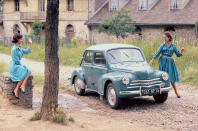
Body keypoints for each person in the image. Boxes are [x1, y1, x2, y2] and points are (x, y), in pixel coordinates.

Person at [149, 32, 184, 98]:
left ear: (169, 37)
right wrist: (152, 61)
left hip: (170, 63)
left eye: (165, 37)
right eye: (163, 37)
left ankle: (176, 93)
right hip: (163, 62)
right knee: (162, 77)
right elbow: (157, 53)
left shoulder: (173, 46)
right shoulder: (162, 45)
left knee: (171, 78)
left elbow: (178, 55)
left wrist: (181, 51)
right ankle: (159, 93)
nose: (164, 38)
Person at [9, 34, 32, 99]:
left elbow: (27, 51)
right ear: (17, 39)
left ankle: (19, 87)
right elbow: (15, 60)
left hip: (18, 65)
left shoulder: (19, 48)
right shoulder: (14, 49)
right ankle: (21, 86)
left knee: (28, 71)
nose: (22, 40)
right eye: (21, 39)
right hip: (14, 66)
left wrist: (30, 44)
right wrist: (21, 66)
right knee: (24, 71)